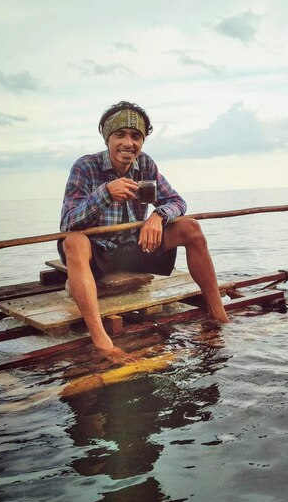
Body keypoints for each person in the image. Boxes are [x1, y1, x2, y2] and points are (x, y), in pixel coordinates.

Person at [58, 101, 230, 358]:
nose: (128, 143)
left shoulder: (146, 165)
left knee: (191, 228)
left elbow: (176, 202)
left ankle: (218, 314)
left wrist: (158, 217)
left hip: (134, 248)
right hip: (99, 253)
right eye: (120, 135)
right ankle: (102, 342)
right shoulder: (85, 167)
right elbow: (68, 223)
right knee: (73, 242)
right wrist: (105, 193)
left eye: (136, 136)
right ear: (108, 138)